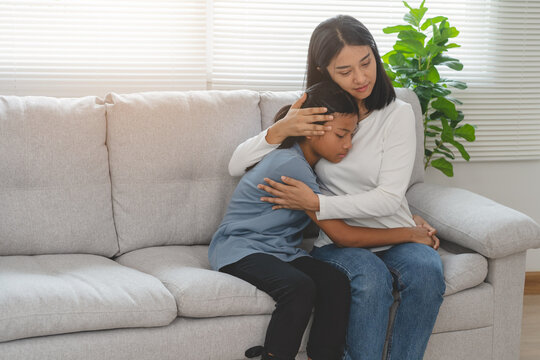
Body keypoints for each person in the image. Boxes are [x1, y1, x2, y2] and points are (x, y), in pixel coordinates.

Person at [227, 15, 446, 360]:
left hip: (392, 228)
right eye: (345, 71)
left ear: (375, 54)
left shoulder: (398, 113)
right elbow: (236, 165)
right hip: (339, 240)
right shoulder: (316, 113)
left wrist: (316, 203)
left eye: (366, 62)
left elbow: (389, 197)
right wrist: (282, 129)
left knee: (428, 271)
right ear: (324, 70)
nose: (360, 78)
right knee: (371, 278)